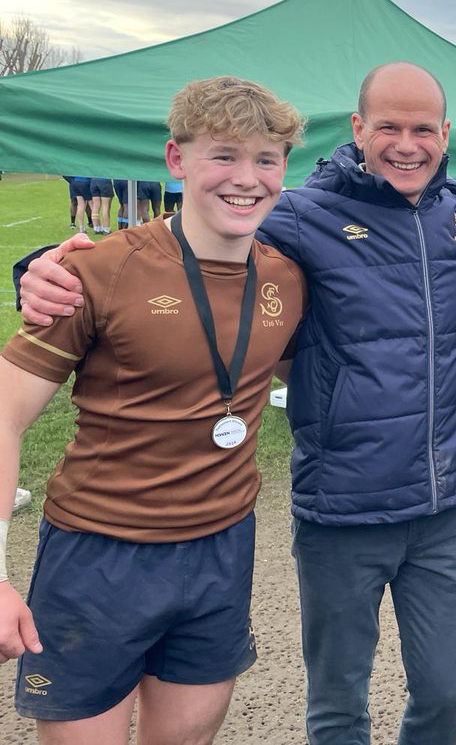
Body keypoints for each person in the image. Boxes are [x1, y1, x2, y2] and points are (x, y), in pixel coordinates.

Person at [18, 64, 456, 745]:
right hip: (341, 510)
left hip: (448, 510)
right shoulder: (299, 216)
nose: (407, 144)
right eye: (388, 126)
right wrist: (44, 267)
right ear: (358, 130)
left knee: (446, 694)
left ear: (445, 136)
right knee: (338, 703)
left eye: (423, 129)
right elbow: (186, 241)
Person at [0, 76, 307, 745]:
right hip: (100, 555)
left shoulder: (286, 276)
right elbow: (3, 416)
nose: (247, 178)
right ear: (176, 160)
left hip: (220, 549)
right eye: (224, 155)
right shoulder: (97, 270)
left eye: (266, 159)